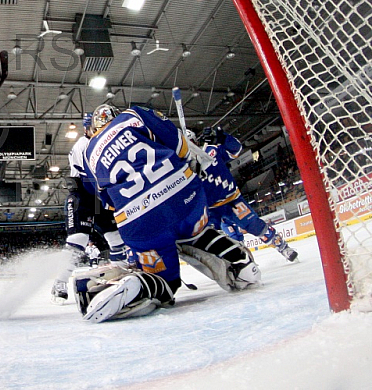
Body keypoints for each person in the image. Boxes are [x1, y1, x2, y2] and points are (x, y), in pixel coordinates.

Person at [77, 104, 261, 323]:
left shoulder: (89, 153)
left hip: (140, 223)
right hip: (185, 199)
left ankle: (142, 285)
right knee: (197, 233)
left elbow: (107, 201)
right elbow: (181, 146)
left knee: (167, 284)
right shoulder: (134, 114)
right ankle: (239, 264)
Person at [51, 113, 133, 302]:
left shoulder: (104, 143)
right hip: (84, 196)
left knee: (116, 237)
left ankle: (119, 272)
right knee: (78, 239)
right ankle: (59, 283)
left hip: (101, 195)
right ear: (87, 129)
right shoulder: (83, 145)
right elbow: (92, 179)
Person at [191, 127, 298, 262]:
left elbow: (236, 149)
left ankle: (283, 247)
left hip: (232, 200)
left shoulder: (211, 151)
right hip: (211, 210)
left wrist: (221, 136)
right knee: (209, 239)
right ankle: (228, 265)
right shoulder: (183, 168)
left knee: (254, 225)